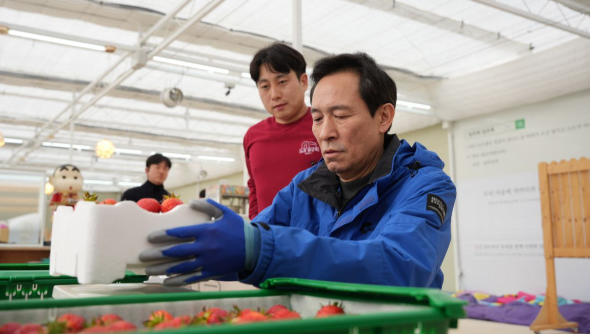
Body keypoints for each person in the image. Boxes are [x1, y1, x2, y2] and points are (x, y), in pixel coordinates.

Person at [139, 53, 455, 290]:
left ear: (383, 117)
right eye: (317, 118)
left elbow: (401, 265)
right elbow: (254, 241)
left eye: (341, 116)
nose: (325, 133)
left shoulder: (424, 185)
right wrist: (180, 249)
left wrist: (260, 247)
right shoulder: (304, 186)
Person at [244, 42, 322, 219]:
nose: (274, 95)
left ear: (303, 82)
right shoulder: (253, 136)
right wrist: (255, 223)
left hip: (315, 233)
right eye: (265, 86)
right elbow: (254, 185)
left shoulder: (324, 124)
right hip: (268, 233)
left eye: (282, 82)